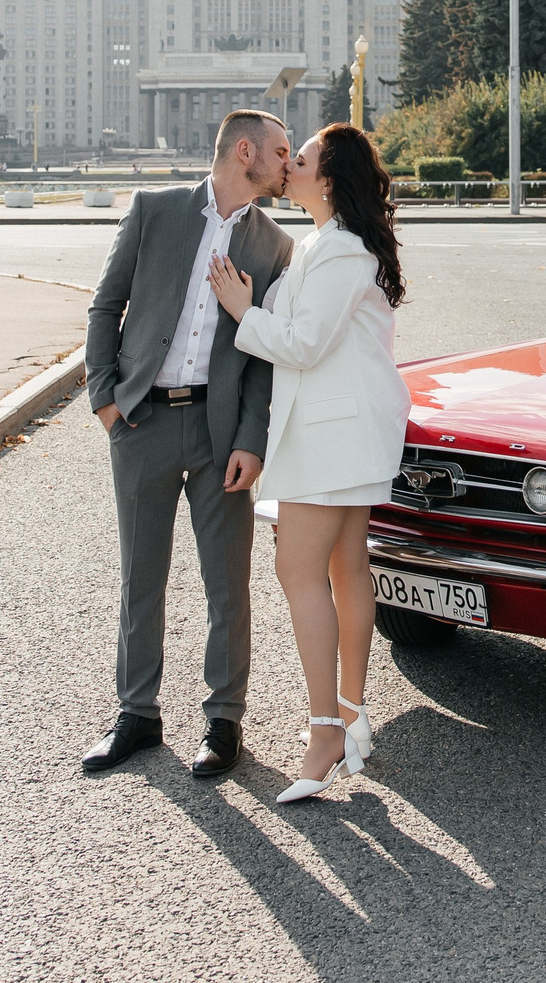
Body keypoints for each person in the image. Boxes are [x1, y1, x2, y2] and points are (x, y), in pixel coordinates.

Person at [80, 110, 296, 779]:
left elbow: (263, 357)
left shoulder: (275, 246)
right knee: (140, 576)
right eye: (282, 151)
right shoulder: (155, 209)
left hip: (219, 433)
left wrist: (251, 439)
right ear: (243, 151)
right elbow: (104, 304)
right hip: (141, 422)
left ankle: (224, 719)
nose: (289, 164)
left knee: (227, 583)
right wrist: (106, 398)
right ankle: (136, 713)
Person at [208, 123, 409, 805]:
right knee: (344, 566)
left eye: (301, 159)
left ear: (327, 178)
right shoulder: (324, 245)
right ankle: (350, 713)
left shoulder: (342, 251)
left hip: (335, 436)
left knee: (297, 567)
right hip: (341, 432)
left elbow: (304, 342)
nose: (287, 166)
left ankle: (326, 728)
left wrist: (240, 310)